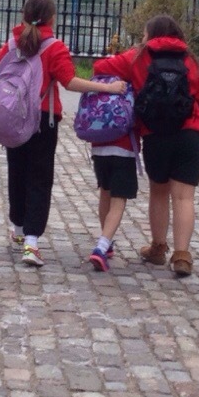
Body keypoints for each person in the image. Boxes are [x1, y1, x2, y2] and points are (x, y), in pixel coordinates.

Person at [0, 0, 128, 269]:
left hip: (14, 116)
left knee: (17, 172)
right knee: (39, 178)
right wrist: (108, 88)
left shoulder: (12, 43)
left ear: (23, 15)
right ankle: (32, 241)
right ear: (52, 18)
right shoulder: (53, 47)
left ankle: (18, 228)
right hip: (43, 119)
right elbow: (70, 82)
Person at [109, 14, 199, 278]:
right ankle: (182, 255)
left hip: (155, 135)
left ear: (150, 35)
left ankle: (158, 248)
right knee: (184, 197)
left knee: (159, 192)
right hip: (189, 135)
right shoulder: (191, 61)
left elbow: (102, 67)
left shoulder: (139, 58)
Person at [86, 52, 138, 272]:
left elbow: (99, 66)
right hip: (124, 148)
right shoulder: (133, 77)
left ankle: (105, 240)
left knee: (105, 192)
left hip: (99, 145)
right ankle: (101, 247)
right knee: (119, 200)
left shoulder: (103, 77)